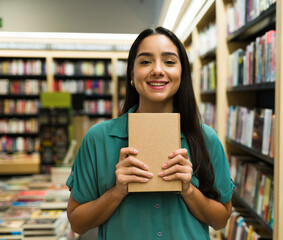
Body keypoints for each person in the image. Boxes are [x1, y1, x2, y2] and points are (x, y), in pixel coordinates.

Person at [66, 26, 234, 240]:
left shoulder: (205, 138)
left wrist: (188, 190)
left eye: (169, 61)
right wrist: (117, 192)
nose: (157, 70)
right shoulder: (98, 139)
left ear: (182, 73)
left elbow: (220, 219)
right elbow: (77, 222)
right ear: (131, 73)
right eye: (145, 61)